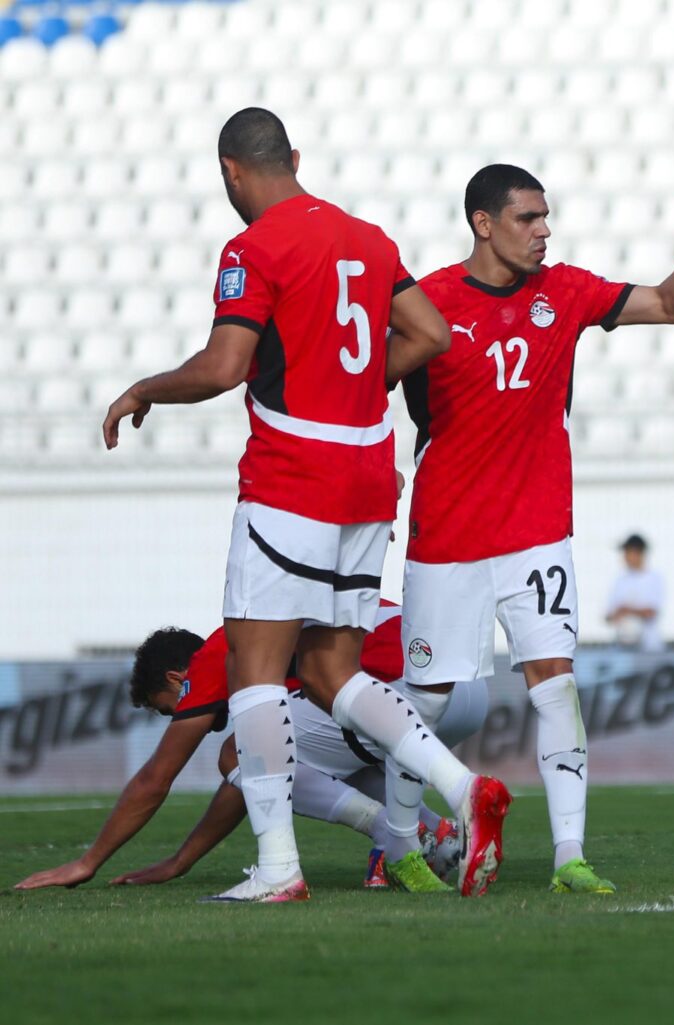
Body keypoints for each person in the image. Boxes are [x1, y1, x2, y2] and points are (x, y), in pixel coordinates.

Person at [100, 107, 509, 901]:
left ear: (231, 172)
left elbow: (225, 365)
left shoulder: (253, 247)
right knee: (329, 672)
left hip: (292, 478)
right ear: (294, 155)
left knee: (256, 674)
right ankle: (463, 788)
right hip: (368, 479)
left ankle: (279, 867)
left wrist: (144, 388)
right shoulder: (369, 239)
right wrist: (357, 390)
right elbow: (430, 333)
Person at [400, 163, 674, 895]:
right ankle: (397, 848)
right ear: (483, 223)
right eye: (528, 218)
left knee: (556, 684)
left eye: (546, 217)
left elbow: (670, 304)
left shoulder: (567, 291)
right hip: (447, 532)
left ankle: (569, 857)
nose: (544, 231)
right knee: (426, 699)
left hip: (537, 529)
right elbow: (373, 388)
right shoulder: (429, 301)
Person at [13, 605, 487, 894]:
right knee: (309, 757)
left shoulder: (219, 652)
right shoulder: (285, 622)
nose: (177, 716)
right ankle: (438, 833)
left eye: (167, 707)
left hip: (401, 689)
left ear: (178, 678)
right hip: (462, 687)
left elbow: (156, 779)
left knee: (241, 751)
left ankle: (393, 834)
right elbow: (255, 784)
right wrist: (182, 860)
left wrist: (87, 862)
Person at [606, 534, 665, 652]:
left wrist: (627, 610)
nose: (625, 557)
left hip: (649, 648)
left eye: (628, 552)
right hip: (622, 648)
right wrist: (617, 614)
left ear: (639, 553)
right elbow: (608, 616)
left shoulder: (654, 578)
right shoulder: (620, 580)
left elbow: (652, 612)